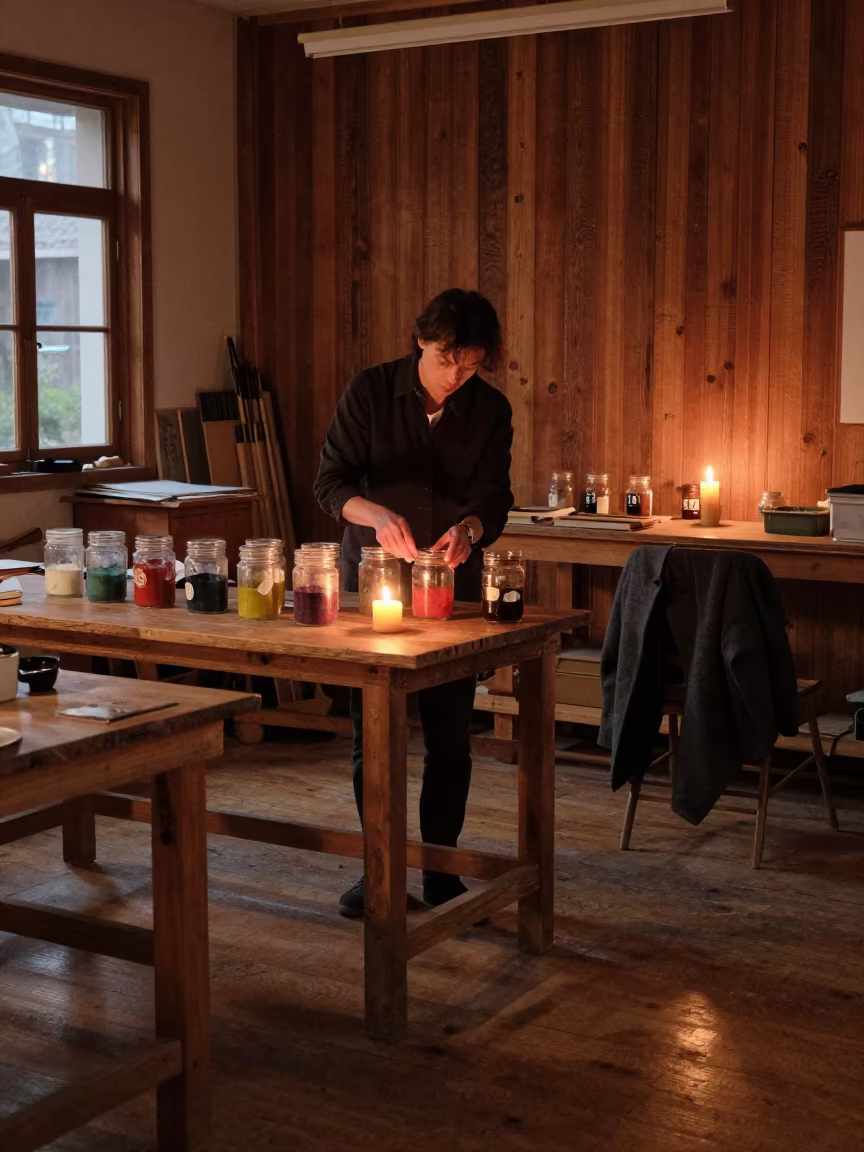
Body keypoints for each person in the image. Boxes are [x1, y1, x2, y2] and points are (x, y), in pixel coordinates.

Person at [314, 288, 514, 917]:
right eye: (448, 360)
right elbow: (330, 483)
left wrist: (471, 530)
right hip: (372, 580)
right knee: (372, 736)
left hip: (447, 584)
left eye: (471, 366)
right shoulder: (370, 393)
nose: (457, 377)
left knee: (451, 737)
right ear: (422, 339)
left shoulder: (490, 410)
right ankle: (377, 868)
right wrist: (375, 516)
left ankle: (441, 868)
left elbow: (495, 498)